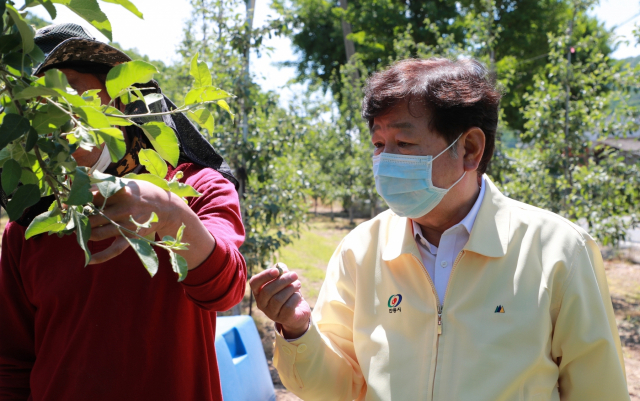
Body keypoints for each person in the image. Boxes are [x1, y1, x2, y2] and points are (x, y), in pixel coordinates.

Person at [250, 58, 630, 400]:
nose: (385, 162)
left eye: (404, 142)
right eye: (379, 144)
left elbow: (598, 390)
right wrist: (298, 330)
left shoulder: (559, 251)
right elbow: (337, 388)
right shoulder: (361, 251)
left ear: (469, 149)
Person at [0, 24, 247, 400]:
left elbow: (225, 288)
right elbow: (12, 364)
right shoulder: (29, 227)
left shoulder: (193, 187)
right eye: (40, 96)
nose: (58, 104)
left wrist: (169, 212)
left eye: (71, 84)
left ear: (116, 96)